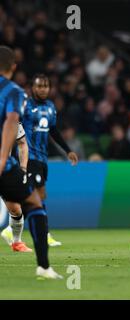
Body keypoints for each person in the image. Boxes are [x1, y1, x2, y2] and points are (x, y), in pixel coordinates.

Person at [0, 45, 61, 278]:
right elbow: (11, 124)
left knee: (20, 208)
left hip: (15, 163)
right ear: (13, 68)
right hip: (4, 166)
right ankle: (44, 267)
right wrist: (3, 159)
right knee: (35, 204)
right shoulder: (14, 92)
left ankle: (15, 239)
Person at [21, 74, 78, 246]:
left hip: (42, 158)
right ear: (33, 88)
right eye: (39, 86)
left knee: (37, 195)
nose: (43, 89)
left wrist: (67, 150)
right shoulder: (25, 106)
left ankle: (12, 228)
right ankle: (43, 234)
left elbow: (53, 131)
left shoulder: (51, 107)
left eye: (46, 86)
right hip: (29, 157)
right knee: (38, 195)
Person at [1, 122, 33, 252]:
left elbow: (22, 143)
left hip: (5, 171)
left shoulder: (11, 119)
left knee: (15, 209)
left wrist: (23, 168)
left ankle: (17, 242)